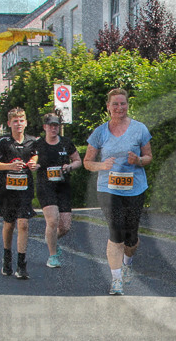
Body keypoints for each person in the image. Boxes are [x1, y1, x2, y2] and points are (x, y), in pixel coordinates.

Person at [83, 88, 152, 295]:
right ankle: (116, 280)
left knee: (131, 237)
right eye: (115, 104)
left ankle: (127, 263)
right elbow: (87, 162)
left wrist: (138, 160)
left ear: (127, 105)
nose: (119, 108)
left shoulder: (139, 129)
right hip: (108, 189)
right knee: (116, 231)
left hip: (134, 188)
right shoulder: (100, 132)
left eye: (122, 104)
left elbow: (149, 157)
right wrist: (101, 166)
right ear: (108, 107)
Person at [0, 107, 39, 279]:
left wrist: (33, 163)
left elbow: (35, 156)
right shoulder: (3, 142)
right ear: (9, 123)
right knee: (9, 224)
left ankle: (22, 264)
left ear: (25, 123)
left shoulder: (32, 141)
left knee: (24, 224)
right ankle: (6, 258)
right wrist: (9, 166)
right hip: (7, 189)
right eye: (15, 121)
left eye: (21, 121)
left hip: (25, 189)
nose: (18, 124)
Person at [35, 113, 82, 268]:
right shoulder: (38, 145)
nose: (53, 128)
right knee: (53, 220)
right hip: (45, 186)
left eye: (56, 125)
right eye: (50, 125)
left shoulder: (66, 143)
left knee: (65, 226)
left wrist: (69, 167)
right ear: (45, 127)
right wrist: (33, 165)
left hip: (63, 186)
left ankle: (52, 242)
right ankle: (52, 256)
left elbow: (77, 161)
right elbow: (31, 160)